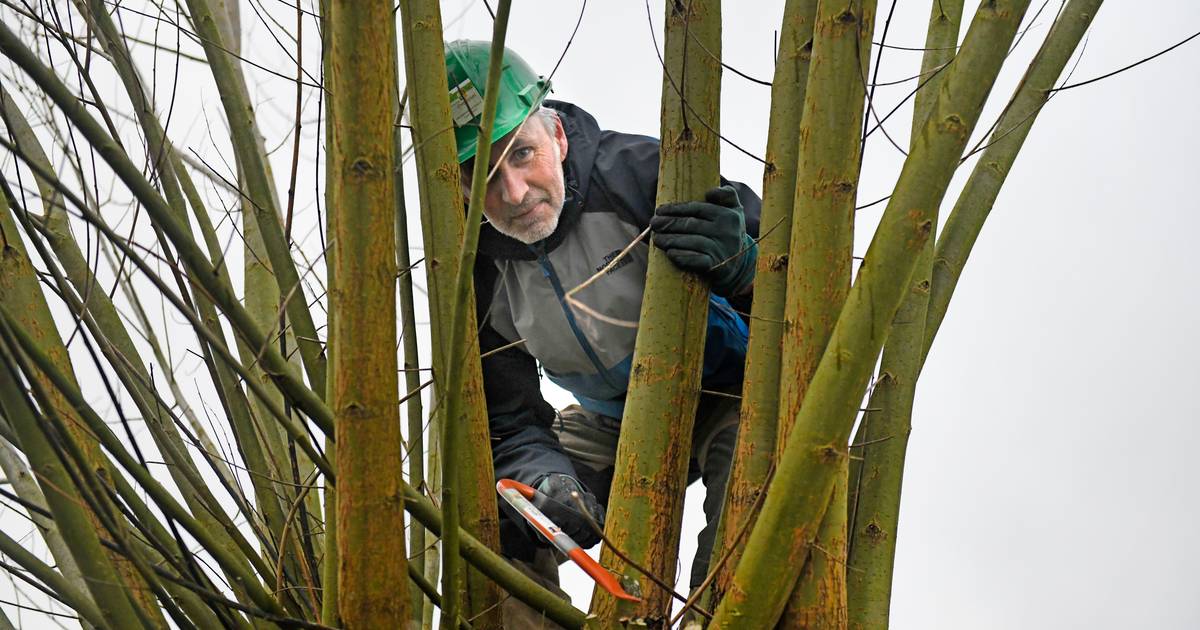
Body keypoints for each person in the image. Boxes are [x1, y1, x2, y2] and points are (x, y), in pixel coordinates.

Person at [445, 40, 761, 622]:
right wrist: (544, 478)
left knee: (751, 489)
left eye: (522, 155)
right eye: (483, 175)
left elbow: (803, 291)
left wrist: (744, 265)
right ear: (459, 186)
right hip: (608, 419)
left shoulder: (647, 174)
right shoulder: (476, 271)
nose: (514, 195)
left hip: (727, 393)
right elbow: (509, 419)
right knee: (488, 520)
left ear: (558, 136)